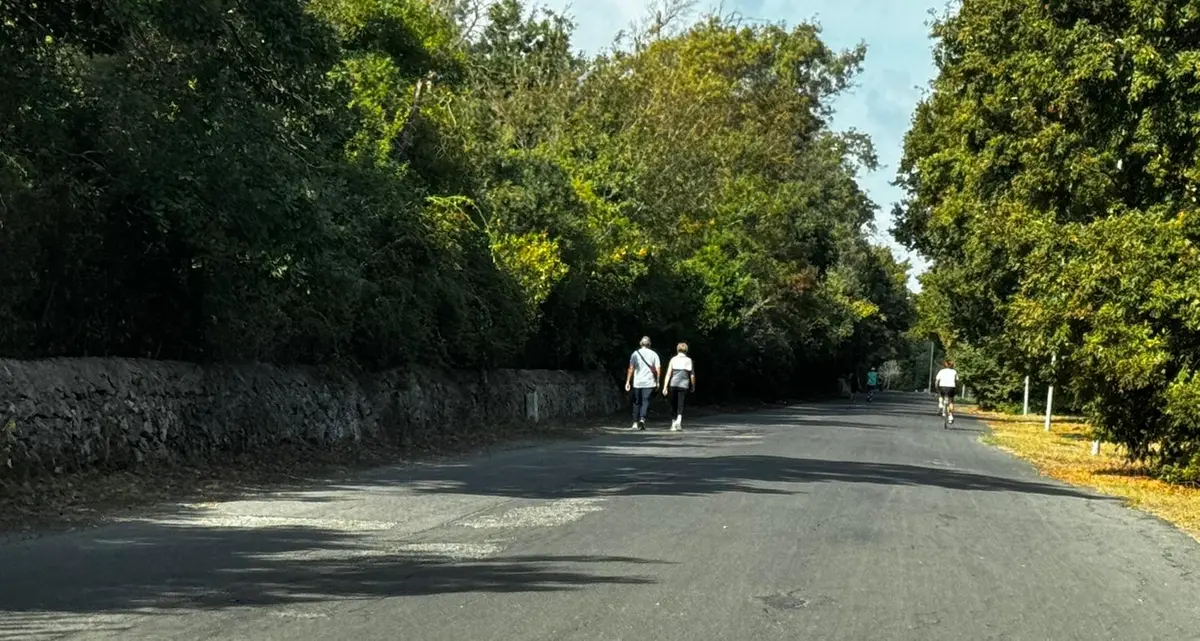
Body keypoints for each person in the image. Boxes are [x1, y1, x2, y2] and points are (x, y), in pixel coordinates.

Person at [625, 336, 661, 430]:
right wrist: (657, 381)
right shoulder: (654, 354)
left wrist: (628, 381)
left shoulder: (635, 354)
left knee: (636, 402)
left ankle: (634, 423)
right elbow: (658, 369)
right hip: (649, 382)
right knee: (645, 401)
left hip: (637, 382)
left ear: (640, 343)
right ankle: (642, 419)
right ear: (649, 344)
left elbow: (631, 368)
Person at [661, 342, 695, 431]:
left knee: (673, 403)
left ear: (677, 349)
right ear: (686, 350)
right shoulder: (689, 360)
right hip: (684, 384)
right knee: (681, 403)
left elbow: (668, 373)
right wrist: (693, 385)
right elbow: (692, 374)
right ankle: (679, 420)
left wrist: (665, 386)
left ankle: (673, 423)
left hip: (674, 383)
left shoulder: (673, 359)